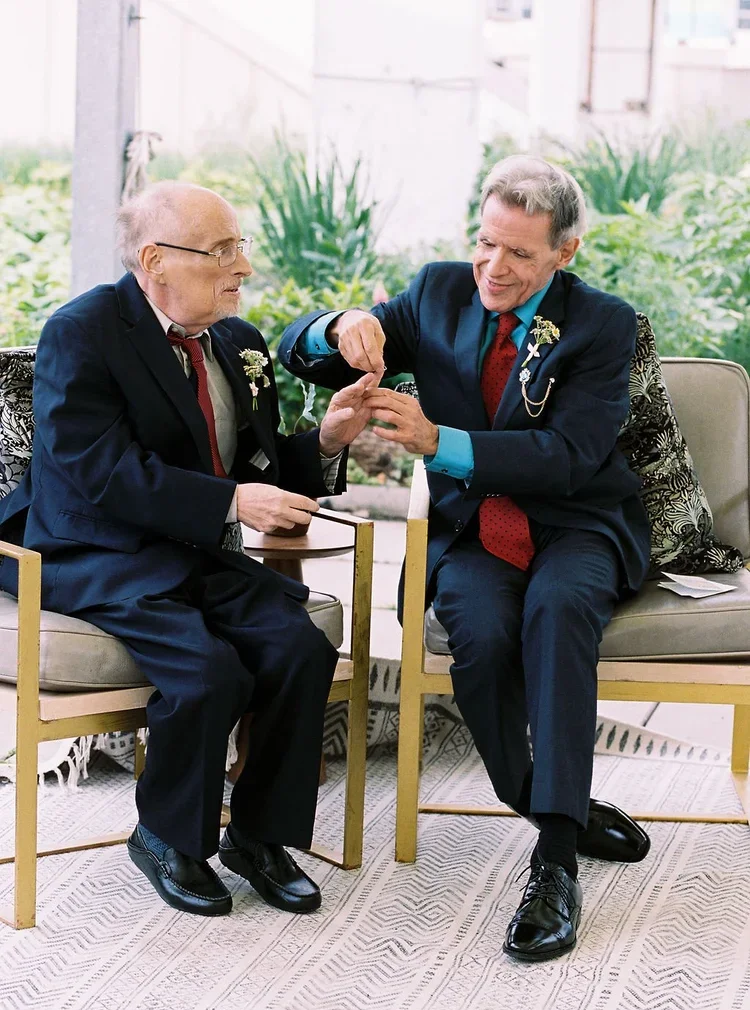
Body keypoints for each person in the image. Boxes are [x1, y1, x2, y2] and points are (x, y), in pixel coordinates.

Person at [279, 155, 652, 962]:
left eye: (519, 253)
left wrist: (438, 441)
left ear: (566, 253)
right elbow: (299, 356)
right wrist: (337, 325)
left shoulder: (603, 323)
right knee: (479, 635)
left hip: (577, 523)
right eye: (486, 243)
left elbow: (572, 454)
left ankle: (553, 862)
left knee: (558, 611)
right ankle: (550, 799)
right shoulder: (438, 292)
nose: (494, 266)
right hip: (474, 528)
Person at [0, 182, 377, 918]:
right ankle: (168, 838)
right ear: (155, 260)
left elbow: (255, 471)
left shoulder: (237, 343)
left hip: (197, 548)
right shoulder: (83, 331)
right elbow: (98, 471)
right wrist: (231, 503)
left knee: (298, 649)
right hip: (96, 550)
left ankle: (259, 838)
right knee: (207, 673)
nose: (245, 266)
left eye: (240, 245)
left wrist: (328, 439)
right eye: (223, 251)